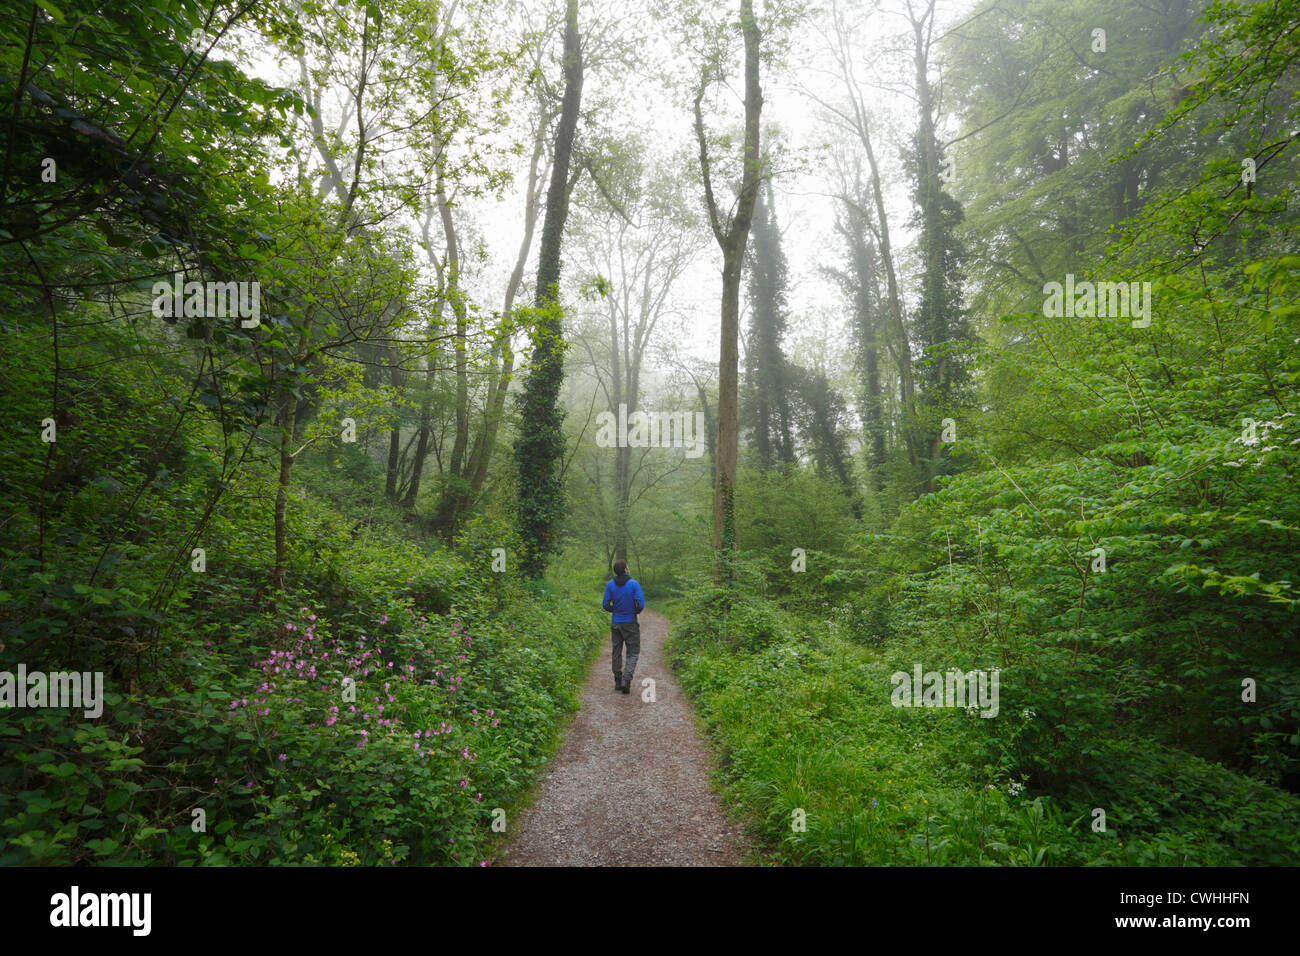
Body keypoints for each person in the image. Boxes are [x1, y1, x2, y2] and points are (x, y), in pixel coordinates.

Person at [602, 559, 644, 694]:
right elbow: (641, 604)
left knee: (616, 651)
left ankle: (618, 681)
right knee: (633, 652)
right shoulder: (633, 584)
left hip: (616, 623)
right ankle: (627, 679)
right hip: (630, 623)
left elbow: (605, 605)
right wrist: (633, 611)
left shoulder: (610, 585)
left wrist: (616, 609)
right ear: (626, 569)